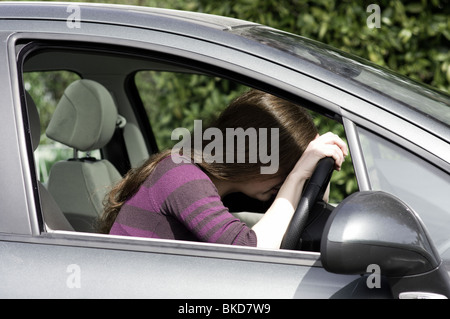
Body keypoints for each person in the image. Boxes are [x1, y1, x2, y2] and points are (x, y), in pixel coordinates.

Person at [98, 89, 348, 249]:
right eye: (285, 169)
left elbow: (307, 214)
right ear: (255, 156)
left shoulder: (225, 188)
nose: (283, 184)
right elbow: (250, 250)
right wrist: (297, 176)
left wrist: (313, 174)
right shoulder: (182, 175)